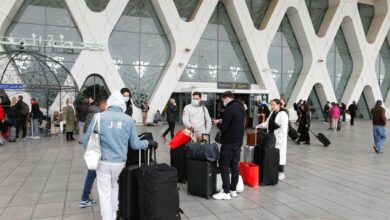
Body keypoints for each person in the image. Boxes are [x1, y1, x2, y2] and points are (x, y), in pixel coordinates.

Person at [83, 91, 157, 220]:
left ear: (109, 103)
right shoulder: (129, 120)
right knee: (116, 189)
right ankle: (115, 215)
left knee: (104, 193)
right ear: (122, 104)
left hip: (103, 162)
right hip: (120, 163)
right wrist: (148, 142)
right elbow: (135, 144)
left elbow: (86, 141)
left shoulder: (99, 117)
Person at [212, 91, 245, 200]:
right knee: (234, 166)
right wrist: (224, 120)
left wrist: (218, 123)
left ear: (226, 98)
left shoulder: (229, 109)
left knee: (224, 165)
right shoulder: (240, 107)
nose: (223, 102)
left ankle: (226, 192)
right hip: (238, 142)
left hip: (229, 143)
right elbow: (236, 122)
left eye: (223, 100)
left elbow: (225, 128)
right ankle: (233, 190)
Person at [79, 97, 108, 208]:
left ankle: (85, 196)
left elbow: (87, 132)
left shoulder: (92, 112)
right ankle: (84, 198)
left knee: (91, 174)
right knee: (92, 174)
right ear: (103, 105)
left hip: (93, 149)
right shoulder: (99, 115)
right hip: (97, 149)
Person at [257, 99, 289, 180]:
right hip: (271, 137)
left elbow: (284, 128)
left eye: (273, 104)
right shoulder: (272, 113)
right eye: (271, 105)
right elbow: (267, 123)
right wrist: (259, 126)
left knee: (280, 155)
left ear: (278, 105)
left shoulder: (283, 114)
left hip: (279, 138)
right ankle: (275, 171)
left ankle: (281, 173)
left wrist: (280, 138)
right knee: (273, 154)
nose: (272, 106)